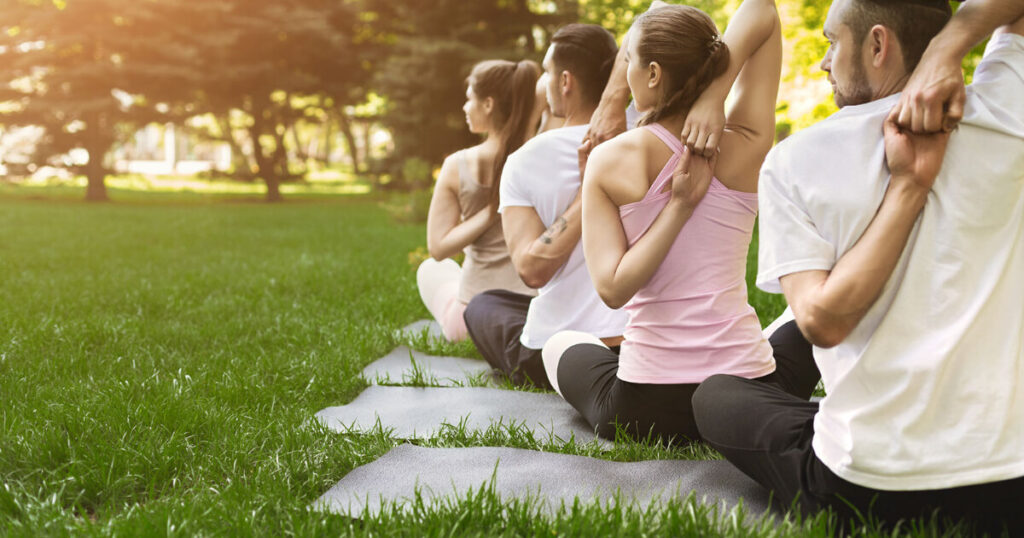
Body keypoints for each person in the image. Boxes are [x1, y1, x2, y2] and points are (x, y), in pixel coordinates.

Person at [691, 0, 1024, 532]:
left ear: (876, 44)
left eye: (830, 42)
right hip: (1010, 483)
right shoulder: (1008, 112)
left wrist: (909, 186)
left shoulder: (794, 162)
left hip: (873, 489)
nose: (822, 62)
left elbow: (823, 323)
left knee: (717, 395)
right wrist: (949, 47)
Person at [540, 1, 817, 444]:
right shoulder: (745, 142)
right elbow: (762, 10)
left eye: (628, 60)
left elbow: (612, 290)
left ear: (652, 74)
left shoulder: (609, 159)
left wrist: (678, 208)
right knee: (806, 316)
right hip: (753, 392)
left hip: (645, 407)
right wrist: (715, 95)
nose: (625, 72)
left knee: (560, 345)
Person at [463, 24, 629, 389]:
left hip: (558, 353)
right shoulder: (648, 136)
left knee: (481, 307)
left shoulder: (525, 160)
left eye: (548, 73)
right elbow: (656, 15)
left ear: (565, 81)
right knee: (503, 301)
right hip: (639, 343)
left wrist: (590, 191)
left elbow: (531, 270)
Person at [417, 60, 541, 342]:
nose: (464, 107)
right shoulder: (539, 155)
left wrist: (487, 212)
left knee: (431, 270)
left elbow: (438, 249)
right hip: (532, 314)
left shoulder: (456, 165)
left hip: (470, 320)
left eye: (469, 98)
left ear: (488, 104)